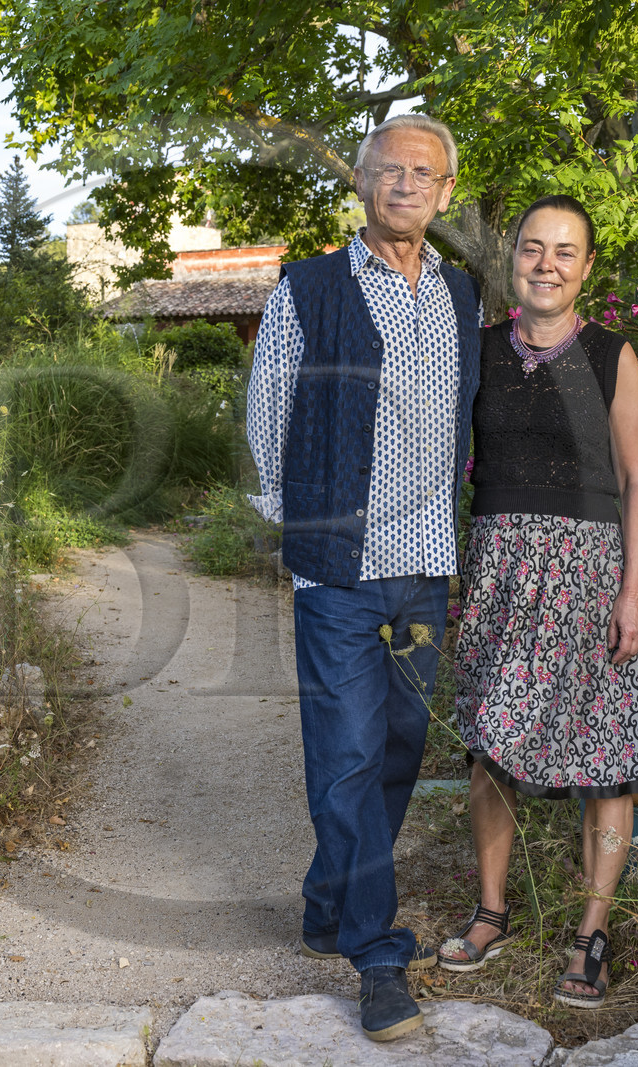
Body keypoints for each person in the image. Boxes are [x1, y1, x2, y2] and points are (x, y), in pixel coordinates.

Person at [245, 114, 484, 1042]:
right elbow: (269, 414)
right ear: (361, 180)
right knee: (345, 752)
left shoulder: (461, 293)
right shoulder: (308, 287)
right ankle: (378, 957)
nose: (406, 184)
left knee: (393, 753)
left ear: (445, 193)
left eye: (424, 173)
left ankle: (324, 899)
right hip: (341, 568)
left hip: (425, 565)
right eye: (390, 169)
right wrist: (301, 527)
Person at [436, 194, 638, 1011]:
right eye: (533, 248)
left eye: (565, 251)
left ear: (587, 267)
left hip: (591, 575)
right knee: (490, 740)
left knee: (605, 750)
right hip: (499, 572)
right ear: (512, 259)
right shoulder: (479, 352)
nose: (547, 263)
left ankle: (593, 934)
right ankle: (492, 910)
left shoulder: (609, 356)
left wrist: (632, 591)